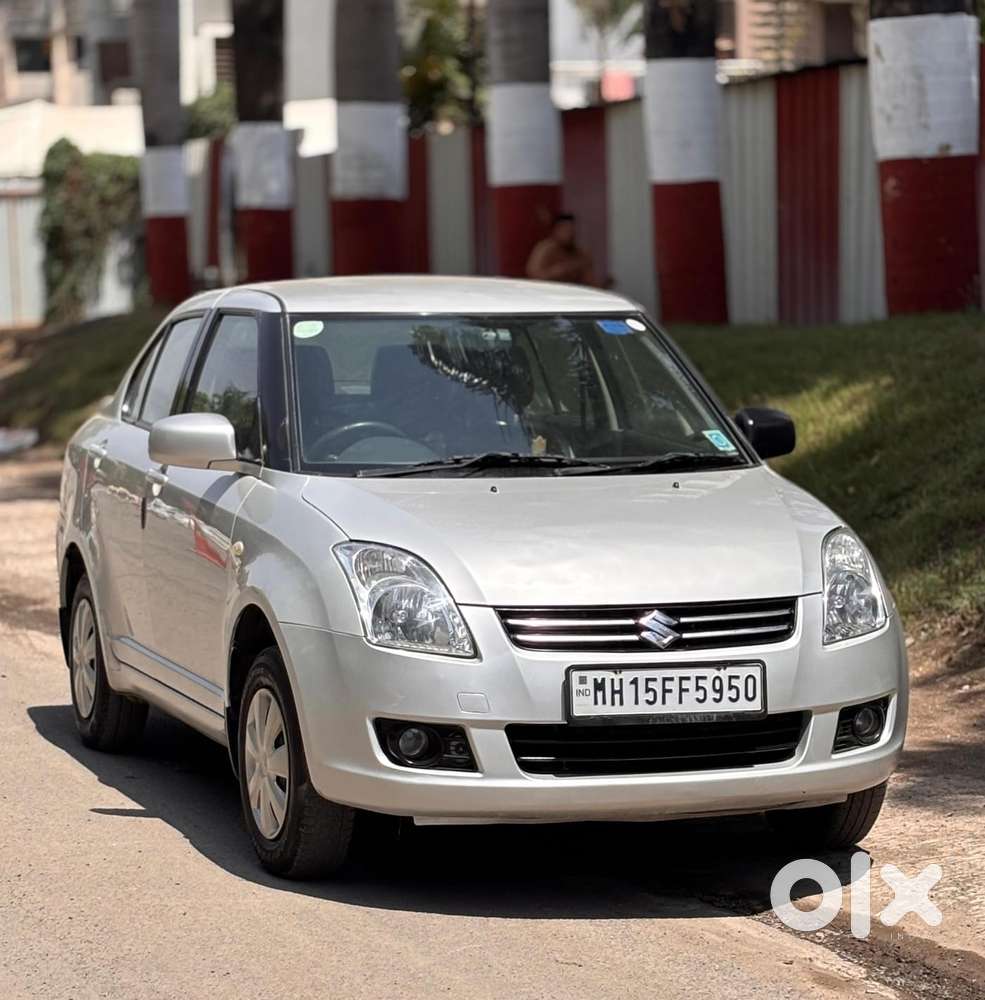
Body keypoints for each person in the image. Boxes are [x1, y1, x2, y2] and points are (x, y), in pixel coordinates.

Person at [525, 212, 597, 286]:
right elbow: (533, 275)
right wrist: (556, 272)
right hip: (548, 293)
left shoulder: (581, 253)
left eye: (572, 230)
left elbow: (591, 282)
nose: (570, 234)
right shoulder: (544, 249)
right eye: (566, 230)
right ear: (556, 230)